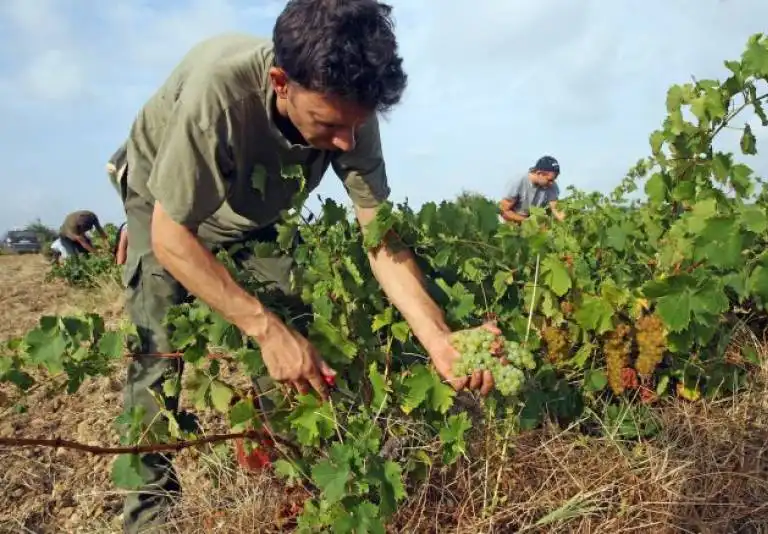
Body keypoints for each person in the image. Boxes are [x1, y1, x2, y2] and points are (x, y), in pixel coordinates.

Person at [109, 1, 500, 531]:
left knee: (300, 333)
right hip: (164, 209)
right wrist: (261, 328)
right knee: (159, 353)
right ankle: (149, 515)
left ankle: (296, 486)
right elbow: (172, 237)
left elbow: (380, 239)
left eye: (356, 128)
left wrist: (437, 338)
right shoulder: (217, 95)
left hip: (254, 213)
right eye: (330, 125)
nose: (345, 143)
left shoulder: (351, 111)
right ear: (280, 82)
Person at [499, 155, 566, 223]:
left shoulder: (552, 185)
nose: (552, 183)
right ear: (539, 173)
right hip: (509, 222)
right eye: (549, 180)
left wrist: (565, 221)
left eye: (554, 179)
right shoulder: (519, 181)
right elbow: (504, 211)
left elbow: (555, 208)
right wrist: (527, 221)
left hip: (530, 223)